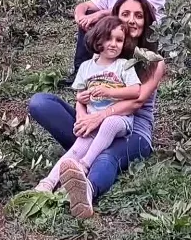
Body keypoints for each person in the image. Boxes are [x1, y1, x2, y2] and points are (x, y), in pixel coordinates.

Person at [29, 0, 166, 219]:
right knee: (41, 103)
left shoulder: (153, 61)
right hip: (95, 123)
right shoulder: (103, 54)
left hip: (131, 130)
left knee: (107, 157)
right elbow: (83, 94)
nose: (132, 20)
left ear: (147, 21)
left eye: (138, 15)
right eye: (125, 14)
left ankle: (85, 190)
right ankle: (64, 168)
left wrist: (100, 117)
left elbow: (137, 100)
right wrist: (84, 117)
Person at [33, 16, 141, 202]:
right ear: (98, 39)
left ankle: (85, 165)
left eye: (119, 40)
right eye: (109, 38)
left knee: (109, 122)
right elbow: (80, 97)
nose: (113, 44)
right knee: (76, 148)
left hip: (119, 119)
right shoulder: (86, 67)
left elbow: (136, 91)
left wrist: (109, 91)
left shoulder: (123, 65)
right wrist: (81, 113)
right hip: (92, 119)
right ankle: (48, 182)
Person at [69, 0, 165, 83]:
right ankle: (81, 70)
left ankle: (124, 69)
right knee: (89, 16)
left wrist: (100, 14)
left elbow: (138, 8)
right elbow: (85, 6)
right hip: (122, 35)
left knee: (100, 18)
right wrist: (81, 17)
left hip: (144, 38)